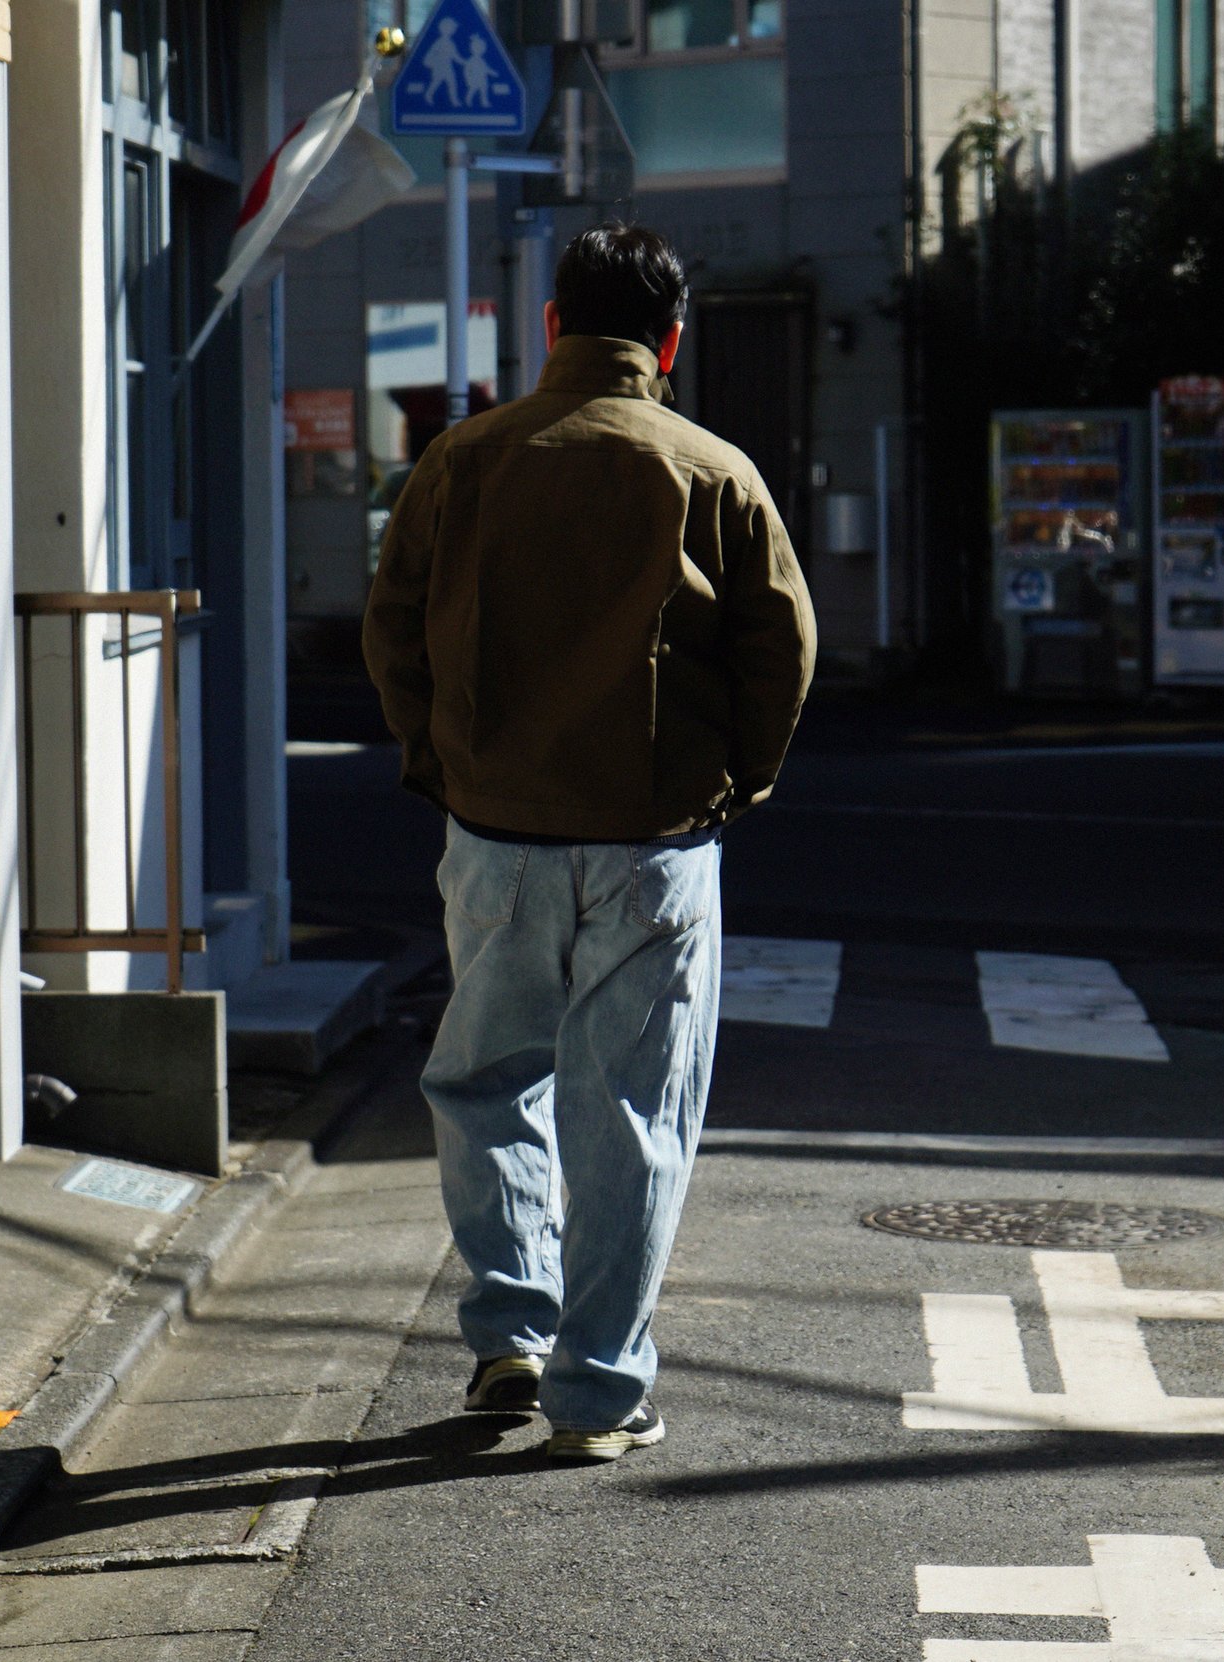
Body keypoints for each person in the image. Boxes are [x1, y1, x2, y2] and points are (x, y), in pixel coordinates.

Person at [364, 223, 816, 1462]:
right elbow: (782, 649)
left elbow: (391, 628)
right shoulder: (708, 468)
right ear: (670, 342)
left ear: (552, 326)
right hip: (656, 842)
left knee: (483, 1077)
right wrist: (741, 782)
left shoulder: (462, 459)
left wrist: (438, 764)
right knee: (631, 1114)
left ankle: (510, 1334)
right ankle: (599, 1394)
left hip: (495, 833)